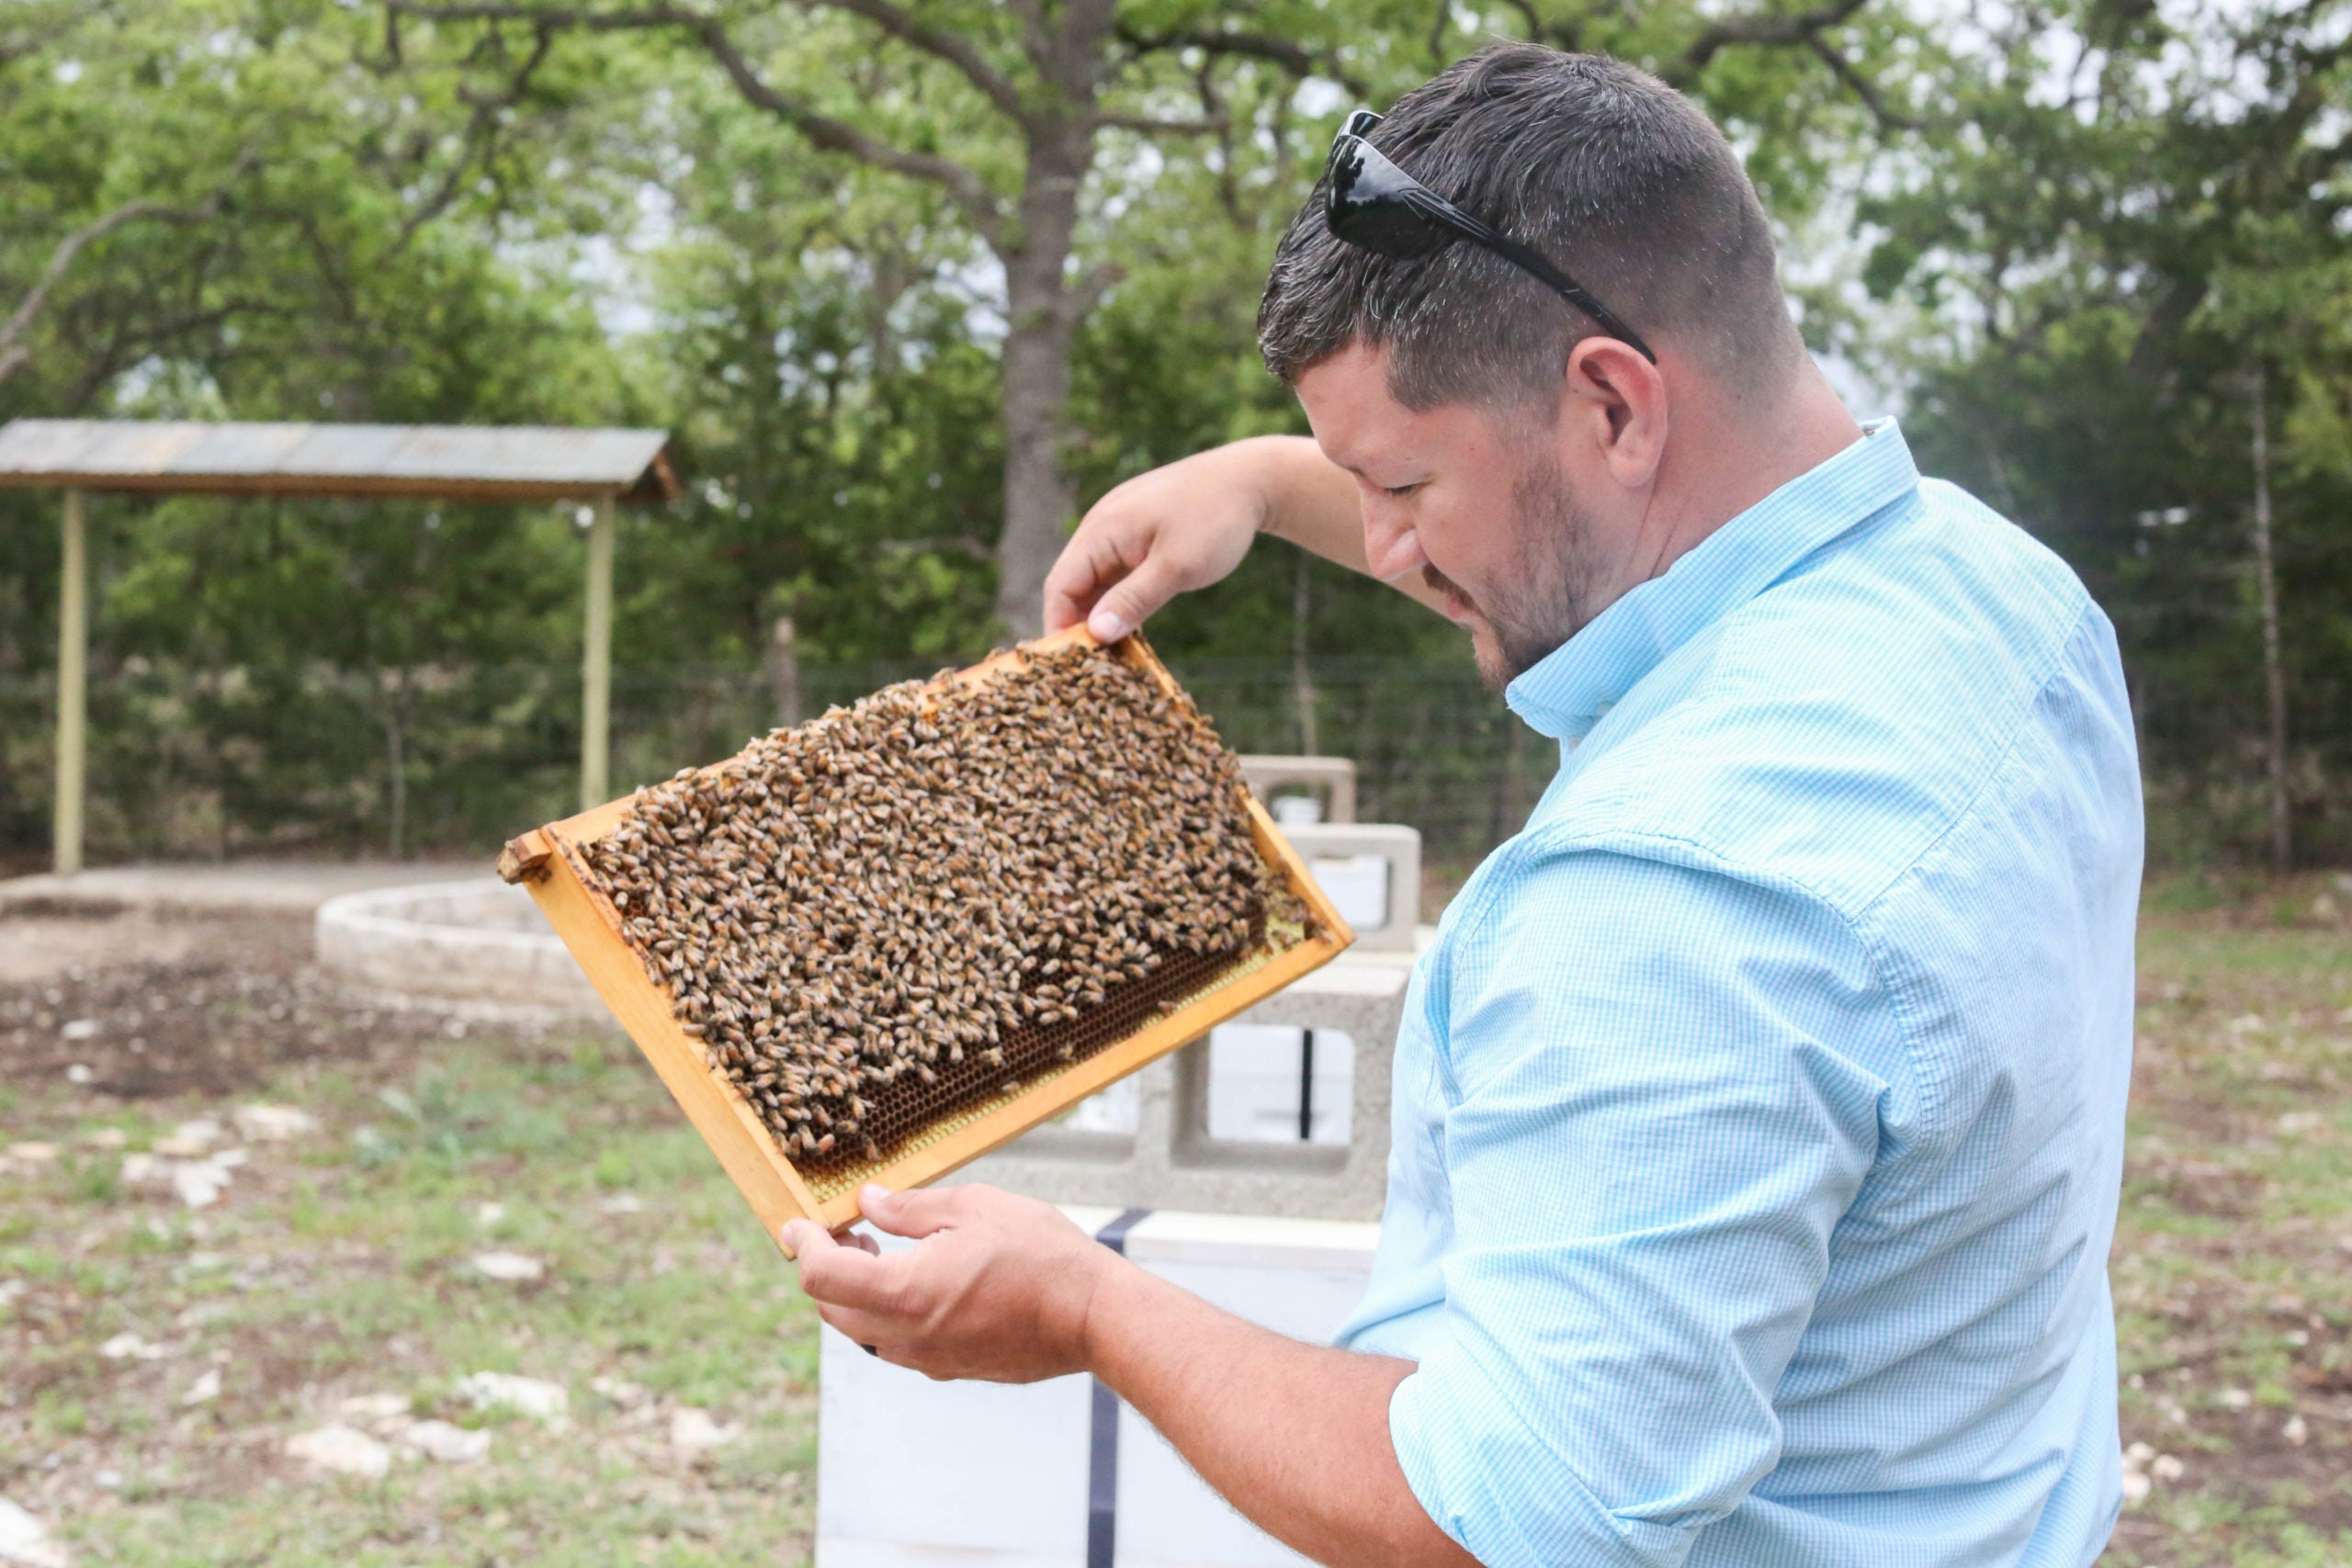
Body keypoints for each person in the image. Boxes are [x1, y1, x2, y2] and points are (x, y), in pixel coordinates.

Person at [782, 43, 2142, 1568]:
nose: (1384, 541)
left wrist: (1087, 1306)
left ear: (1615, 404)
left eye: (1405, 488)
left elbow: (1512, 1521)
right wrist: (1270, 481)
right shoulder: (1996, 593)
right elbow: (1622, 566)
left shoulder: (1664, 904)